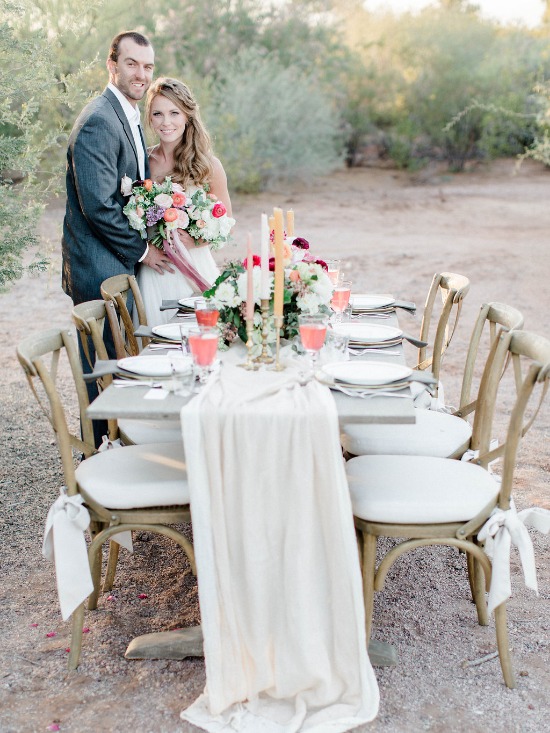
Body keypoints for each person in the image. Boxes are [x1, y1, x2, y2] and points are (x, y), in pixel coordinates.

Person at [62, 30, 174, 312]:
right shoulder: (99, 121)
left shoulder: (129, 116)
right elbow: (99, 205)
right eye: (131, 63)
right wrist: (145, 252)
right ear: (112, 66)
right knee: (106, 356)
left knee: (124, 354)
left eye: (148, 67)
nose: (141, 74)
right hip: (100, 268)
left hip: (120, 264)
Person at [138, 77, 233, 326]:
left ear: (187, 116)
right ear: (149, 117)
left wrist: (195, 239)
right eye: (158, 114)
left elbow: (226, 223)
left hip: (195, 268)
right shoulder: (141, 162)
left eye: (174, 113)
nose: (166, 122)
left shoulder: (208, 166)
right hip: (156, 271)